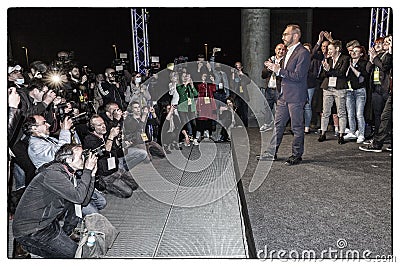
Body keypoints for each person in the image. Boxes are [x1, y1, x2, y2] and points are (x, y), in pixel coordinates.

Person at [12, 144, 98, 258]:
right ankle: (25, 246)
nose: (85, 158)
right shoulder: (53, 174)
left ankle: (25, 247)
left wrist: (91, 175)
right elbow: (78, 197)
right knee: (77, 255)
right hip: (33, 230)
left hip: (48, 223)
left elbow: (83, 201)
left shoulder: (67, 173)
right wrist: (87, 171)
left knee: (63, 255)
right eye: (81, 156)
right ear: (68, 159)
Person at [257, 24, 310, 165]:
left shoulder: (303, 53)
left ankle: (296, 155)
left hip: (296, 97)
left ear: (295, 35)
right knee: (278, 126)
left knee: (297, 127)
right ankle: (271, 153)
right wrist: (274, 68)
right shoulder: (287, 52)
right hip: (283, 96)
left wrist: (278, 70)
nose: (283, 37)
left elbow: (298, 76)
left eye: (286, 34)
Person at [84, 115, 139, 198]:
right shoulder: (89, 140)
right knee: (128, 193)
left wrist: (122, 145)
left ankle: (117, 181)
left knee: (135, 185)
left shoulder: (106, 135)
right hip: (105, 175)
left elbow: (117, 152)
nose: (103, 126)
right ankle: (103, 188)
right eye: (99, 125)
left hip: (116, 169)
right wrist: (111, 137)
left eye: (103, 124)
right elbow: (104, 152)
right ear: (92, 128)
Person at [317, 40, 350, 144]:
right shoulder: (328, 59)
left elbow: (341, 73)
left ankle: (341, 135)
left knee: (341, 112)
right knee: (325, 112)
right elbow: (322, 75)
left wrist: (329, 69)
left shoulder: (345, 59)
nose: (329, 51)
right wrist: (326, 69)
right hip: (327, 88)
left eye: (330, 49)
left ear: (337, 49)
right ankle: (323, 133)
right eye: (328, 49)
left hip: (339, 88)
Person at [343, 45, 368, 143]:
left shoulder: (363, 63)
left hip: (360, 91)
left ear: (361, 54)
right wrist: (348, 66)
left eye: (356, 51)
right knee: (350, 113)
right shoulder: (348, 62)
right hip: (349, 90)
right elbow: (344, 75)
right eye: (353, 51)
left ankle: (361, 134)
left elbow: (360, 76)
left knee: (359, 114)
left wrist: (351, 67)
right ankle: (352, 131)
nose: (353, 53)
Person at [260, 43, 286, 132]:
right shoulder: (270, 60)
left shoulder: (286, 61)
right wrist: (268, 68)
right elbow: (263, 75)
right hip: (269, 88)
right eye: (279, 49)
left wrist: (278, 68)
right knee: (266, 107)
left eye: (283, 49)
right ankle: (267, 124)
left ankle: (279, 127)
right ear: (275, 50)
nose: (280, 51)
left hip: (279, 89)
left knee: (280, 109)